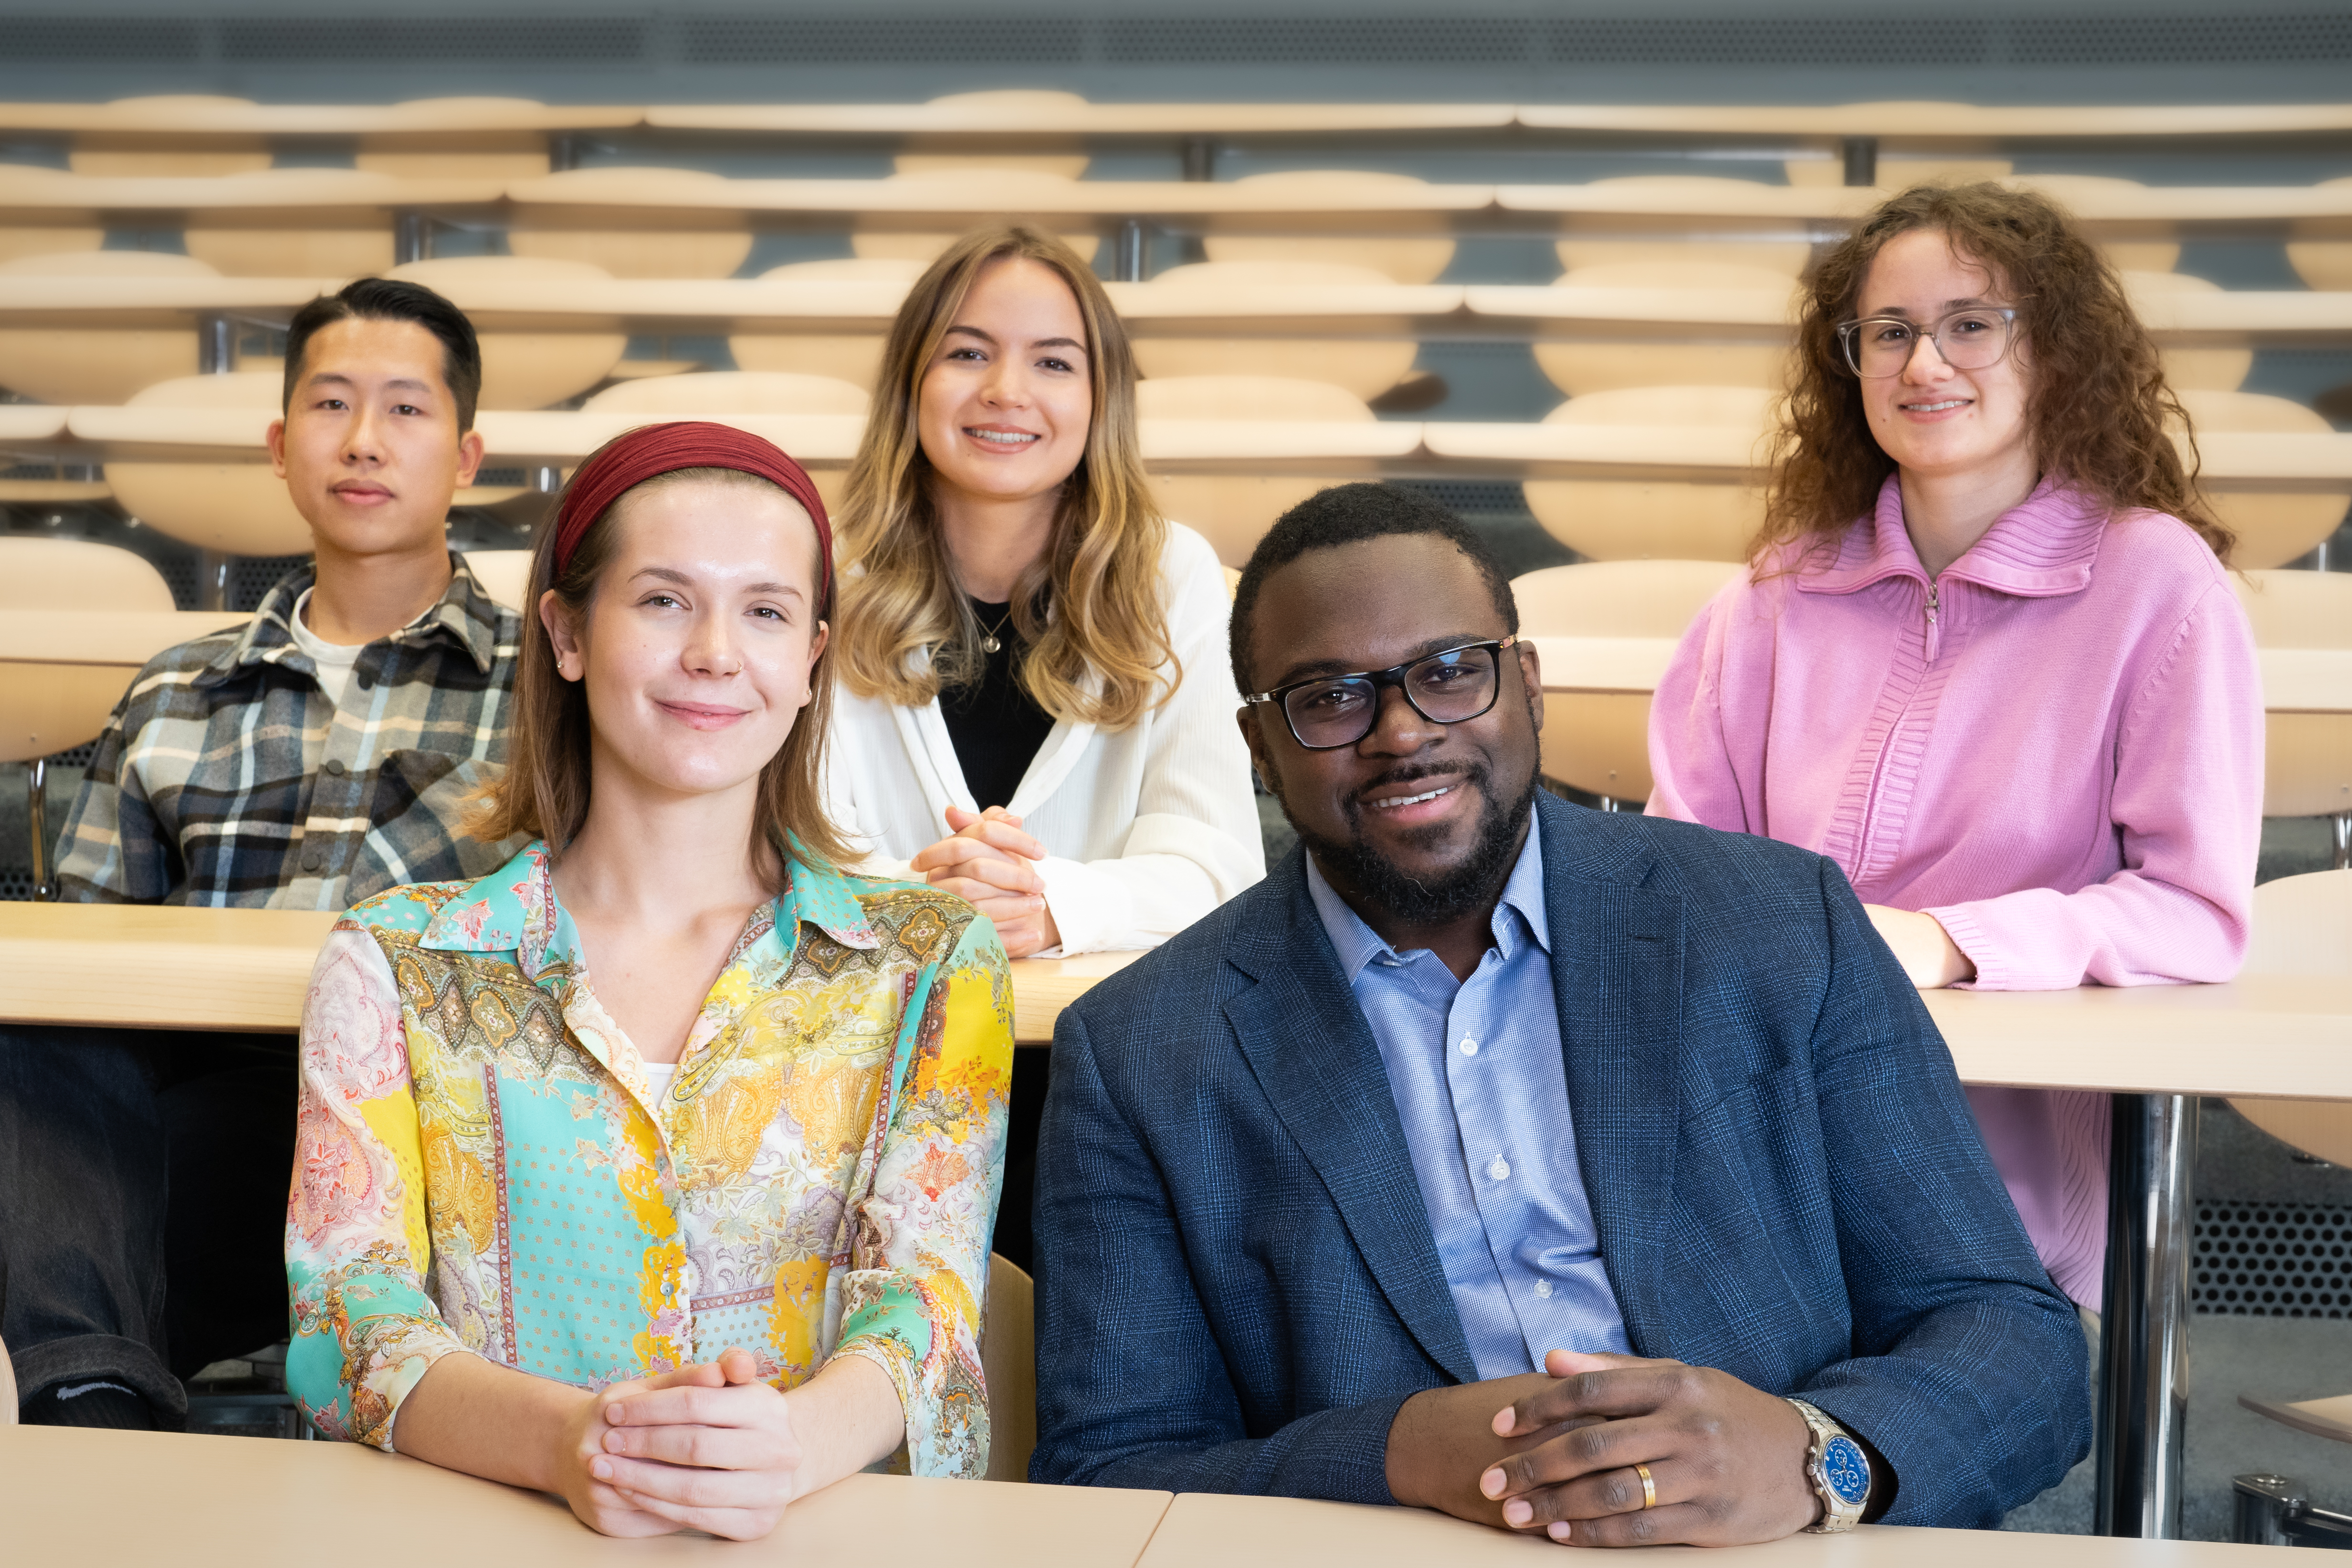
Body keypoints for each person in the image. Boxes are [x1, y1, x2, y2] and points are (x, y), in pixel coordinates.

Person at [1029, 484, 2090, 1542]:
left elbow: (2016, 1341)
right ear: (1260, 745)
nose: (1401, 731)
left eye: (1449, 671)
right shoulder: (1141, 1049)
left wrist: (1817, 1453)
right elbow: (1109, 1468)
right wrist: (1395, 1451)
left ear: (1526, 685)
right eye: (1329, 696)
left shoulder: (1778, 923)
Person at [286, 422, 1012, 1541]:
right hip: (482, 1537)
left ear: (813, 659)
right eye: (665, 600)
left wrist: (786, 1446)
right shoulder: (394, 960)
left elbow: (926, 1306)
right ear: (568, 633)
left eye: (766, 611)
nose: (718, 652)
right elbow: (348, 1320)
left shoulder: (932, 963)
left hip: (820, 1537)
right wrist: (574, 1444)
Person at [1645, 183, 2264, 1315]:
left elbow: (2195, 909)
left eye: (1970, 323)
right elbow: (1677, 875)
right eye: (1889, 333)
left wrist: (1950, 941)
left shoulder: (2156, 583)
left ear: (2057, 353)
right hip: (1760, 1143)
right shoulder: (1774, 592)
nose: (1924, 363)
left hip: (1996, 1180)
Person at [1, 277, 521, 1428]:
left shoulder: (547, 686)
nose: (365, 440)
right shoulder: (178, 687)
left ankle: (85, 1398)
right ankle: (92, 1403)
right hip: (210, 1110)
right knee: (32, 1035)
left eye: (405, 409)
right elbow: (86, 965)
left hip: (436, 1116)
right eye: (332, 405)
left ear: (468, 454)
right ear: (283, 448)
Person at [823, 224, 1261, 1265]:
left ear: (1099, 400)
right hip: (857, 1063)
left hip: (1103, 1077)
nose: (1005, 390)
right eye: (967, 352)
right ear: (911, 384)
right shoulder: (817, 573)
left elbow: (1219, 868)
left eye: (1053, 361)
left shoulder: (1171, 577)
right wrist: (941, 903)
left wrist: (1050, 902)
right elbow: (785, 849)